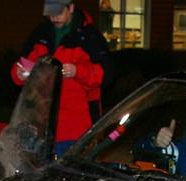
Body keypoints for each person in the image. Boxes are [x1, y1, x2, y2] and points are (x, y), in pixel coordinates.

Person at [12, 0, 113, 156]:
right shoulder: (41, 34)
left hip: (76, 125)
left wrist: (77, 71)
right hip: (41, 124)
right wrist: (20, 74)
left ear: (71, 8)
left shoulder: (89, 36)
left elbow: (105, 74)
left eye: (58, 13)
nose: (53, 18)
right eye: (50, 14)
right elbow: (22, 64)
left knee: (73, 173)